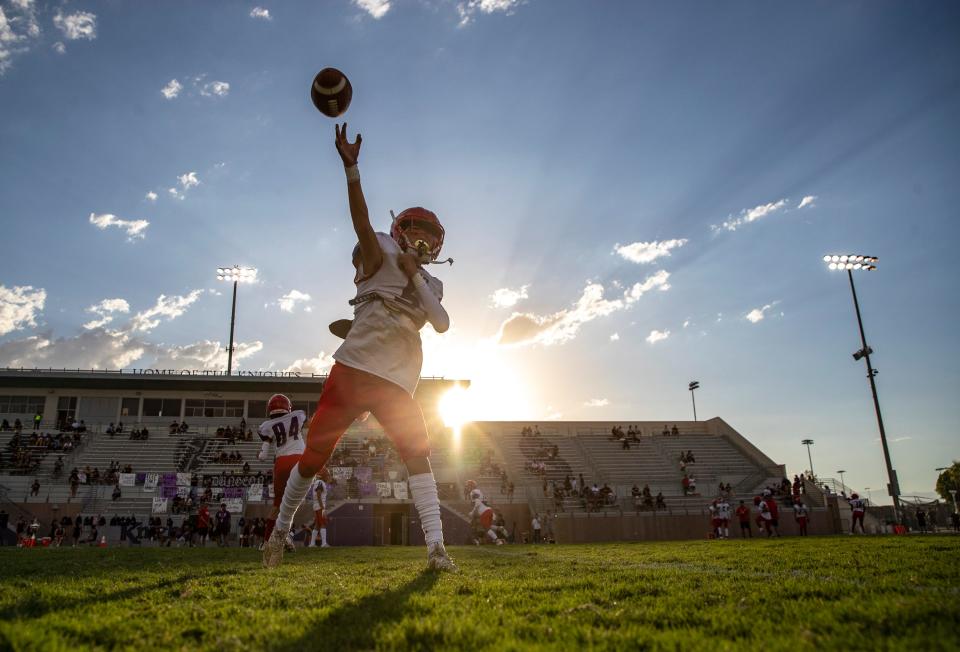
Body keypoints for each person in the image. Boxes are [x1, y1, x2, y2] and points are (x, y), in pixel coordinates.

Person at [263, 122, 455, 573]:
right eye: (416, 229)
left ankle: (437, 549)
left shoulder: (433, 282)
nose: (423, 237)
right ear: (400, 230)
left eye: (429, 232)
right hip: (353, 368)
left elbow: (442, 324)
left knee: (418, 456)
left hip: (396, 380)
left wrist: (412, 273)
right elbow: (361, 221)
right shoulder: (379, 251)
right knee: (313, 458)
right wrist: (352, 170)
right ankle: (277, 535)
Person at [257, 394, 305, 554]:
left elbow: (264, 453)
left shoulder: (267, 425)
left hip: (281, 462)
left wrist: (262, 454)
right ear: (287, 406)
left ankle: (266, 542)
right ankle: (285, 537)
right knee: (291, 505)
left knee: (277, 505)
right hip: (299, 460)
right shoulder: (298, 415)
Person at [309, 470, 331, 548]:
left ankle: (312, 544)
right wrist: (322, 508)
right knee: (323, 523)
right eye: (327, 475)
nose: (328, 476)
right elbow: (318, 494)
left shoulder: (318, 482)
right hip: (319, 506)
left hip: (316, 505)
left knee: (317, 525)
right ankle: (324, 543)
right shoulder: (320, 482)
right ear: (324, 475)